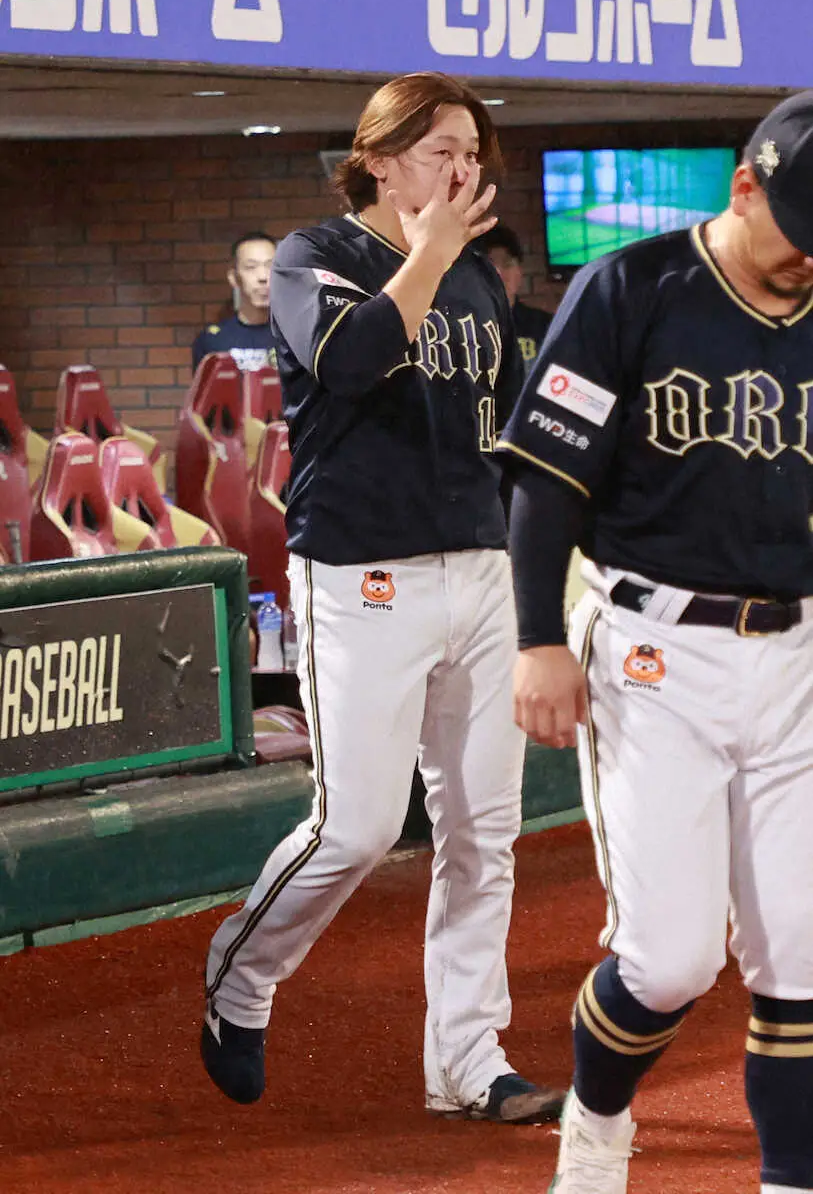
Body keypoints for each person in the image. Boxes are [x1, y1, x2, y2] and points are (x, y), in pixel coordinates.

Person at [200, 70, 563, 1126]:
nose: (464, 171)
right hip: (361, 576)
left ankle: (469, 1061)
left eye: (472, 155)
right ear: (382, 160)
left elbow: (493, 427)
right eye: (444, 149)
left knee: (483, 830)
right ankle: (243, 970)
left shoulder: (474, 286)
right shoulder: (316, 258)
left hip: (477, 570)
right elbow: (353, 364)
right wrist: (434, 254)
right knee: (355, 828)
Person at [497, 90, 813, 1192]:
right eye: (801, 228)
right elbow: (544, 480)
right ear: (745, 183)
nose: (809, 259)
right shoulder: (632, 288)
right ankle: (596, 1124)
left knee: (804, 959)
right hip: (654, 654)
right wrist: (538, 638)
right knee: (671, 960)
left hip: (801, 660)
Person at [191, 231, 277, 373]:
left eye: (271, 266)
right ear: (234, 278)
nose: (263, 277)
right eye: (251, 267)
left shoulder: (297, 339)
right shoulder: (212, 340)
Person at [477, 223, 552, 378]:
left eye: (507, 264)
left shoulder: (545, 326)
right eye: (490, 265)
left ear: (520, 272)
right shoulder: (462, 327)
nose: (499, 273)